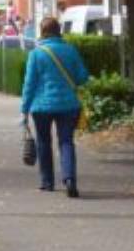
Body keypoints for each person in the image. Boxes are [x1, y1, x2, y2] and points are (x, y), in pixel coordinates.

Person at [20, 17, 90, 197]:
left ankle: (47, 182)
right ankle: (70, 179)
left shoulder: (36, 54)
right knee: (66, 141)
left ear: (42, 32)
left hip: (41, 106)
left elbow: (29, 84)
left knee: (44, 142)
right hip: (68, 105)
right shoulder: (70, 50)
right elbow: (83, 77)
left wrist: (24, 109)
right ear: (59, 31)